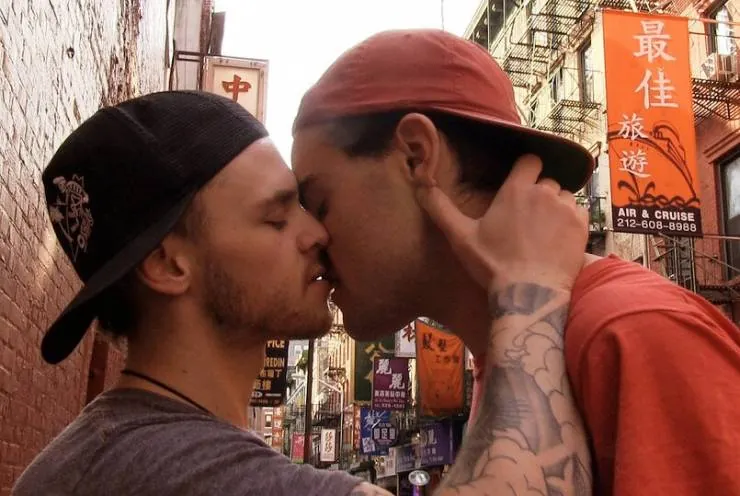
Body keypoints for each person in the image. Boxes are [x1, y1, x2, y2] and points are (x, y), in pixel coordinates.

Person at [12, 90, 592, 496]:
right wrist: (528, 291)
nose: (316, 233)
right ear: (167, 264)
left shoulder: (113, 450)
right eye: (276, 217)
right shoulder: (170, 470)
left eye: (308, 205)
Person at [291, 28, 740, 496]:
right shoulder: (517, 350)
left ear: (416, 158)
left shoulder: (628, 330)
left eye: (319, 203)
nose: (309, 236)